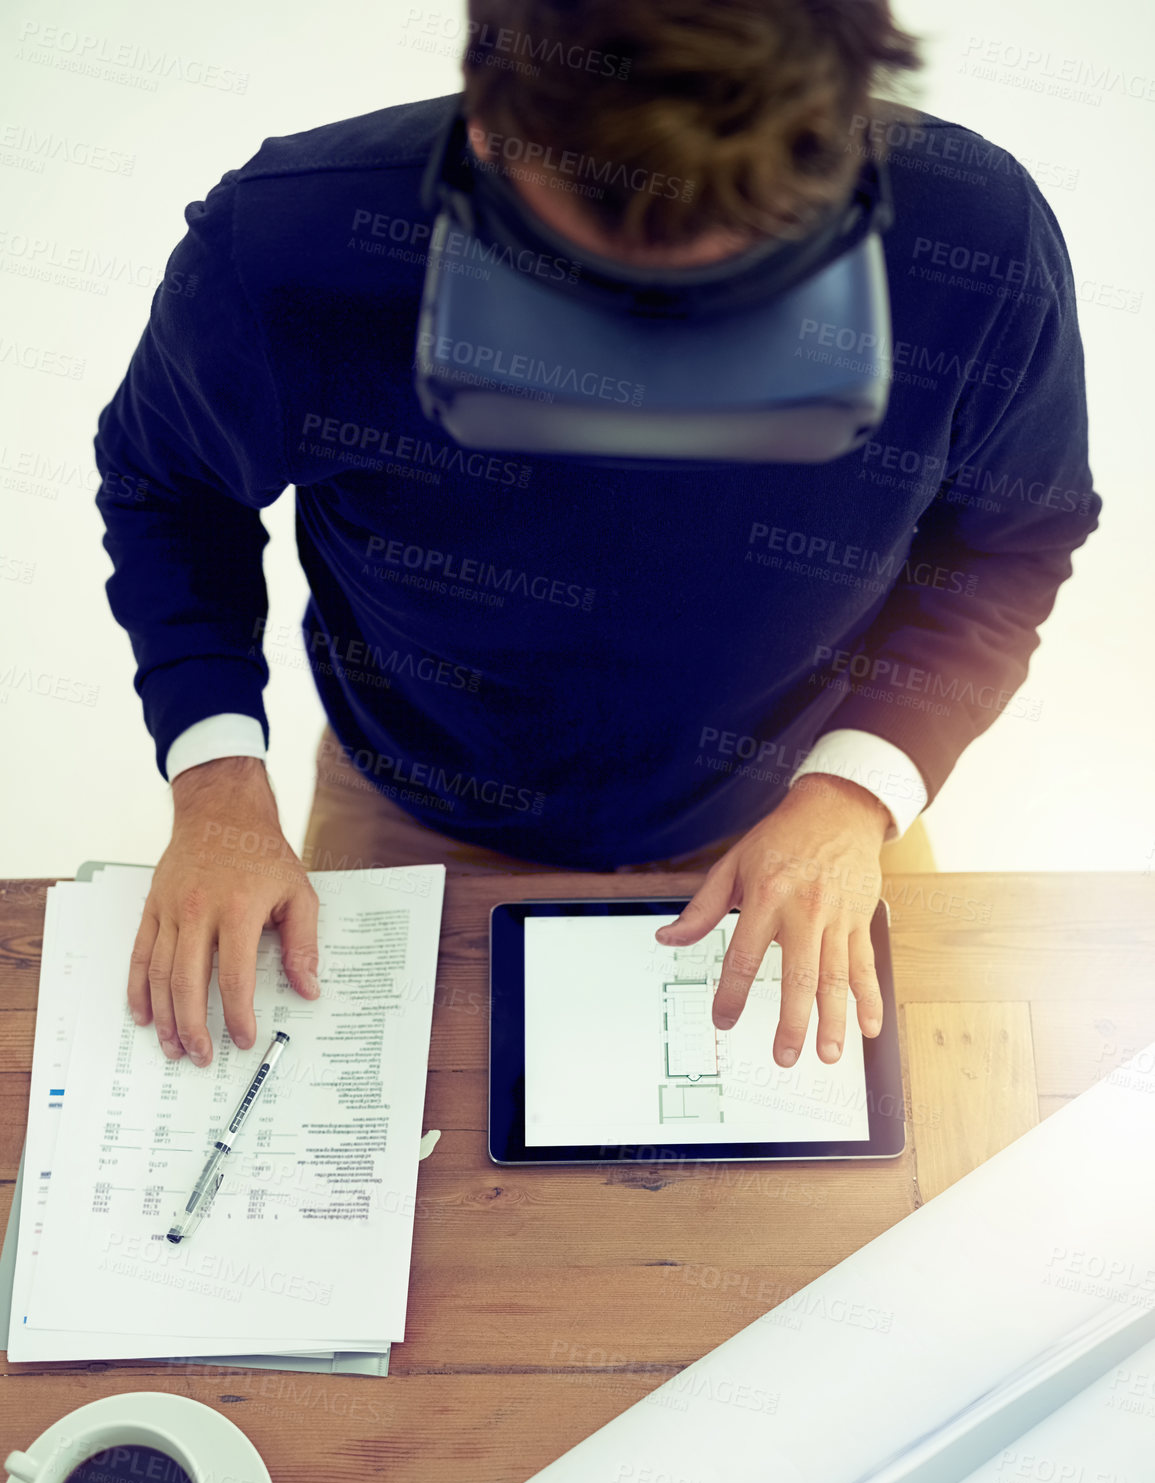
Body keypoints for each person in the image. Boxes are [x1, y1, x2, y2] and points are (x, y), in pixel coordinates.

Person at [93, 0, 1100, 1074]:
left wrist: (858, 791)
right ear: (491, 128)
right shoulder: (289, 250)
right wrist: (216, 785)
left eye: (740, 275)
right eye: (607, 280)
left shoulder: (976, 241)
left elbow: (1008, 541)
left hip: (814, 802)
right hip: (417, 800)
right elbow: (170, 488)